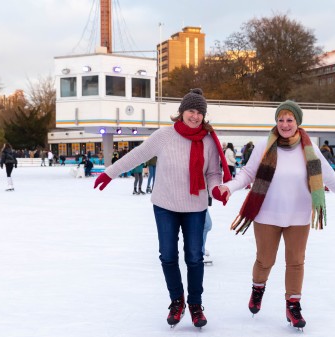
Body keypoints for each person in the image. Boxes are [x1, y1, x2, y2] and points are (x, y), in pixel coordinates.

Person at [214, 100, 335, 329]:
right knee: (265, 260)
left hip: (298, 216)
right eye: (280, 119)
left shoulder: (309, 150)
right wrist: (229, 187)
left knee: (296, 262)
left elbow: (329, 177)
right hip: (266, 214)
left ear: (297, 122)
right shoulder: (264, 146)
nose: (284, 124)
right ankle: (258, 288)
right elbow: (247, 174)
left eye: (289, 119)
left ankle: (293, 305)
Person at [93, 88, 231, 328]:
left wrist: (216, 188)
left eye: (199, 112)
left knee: (195, 257)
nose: (195, 116)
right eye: (191, 110)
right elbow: (138, 155)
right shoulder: (164, 135)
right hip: (165, 205)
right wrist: (110, 172)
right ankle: (177, 301)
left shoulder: (208, 141)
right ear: (181, 112)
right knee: (168, 255)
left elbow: (212, 172)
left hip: (196, 206)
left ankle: (195, 304)